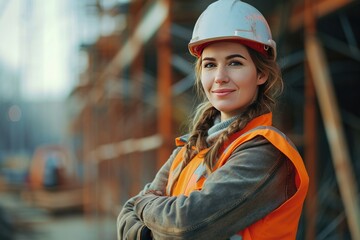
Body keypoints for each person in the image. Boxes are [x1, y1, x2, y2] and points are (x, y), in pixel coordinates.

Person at [117, 0, 309, 239]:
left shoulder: (265, 152)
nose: (220, 77)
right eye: (210, 65)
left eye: (235, 63)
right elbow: (125, 215)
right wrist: (157, 226)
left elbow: (185, 225)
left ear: (261, 73)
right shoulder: (188, 149)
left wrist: (144, 206)